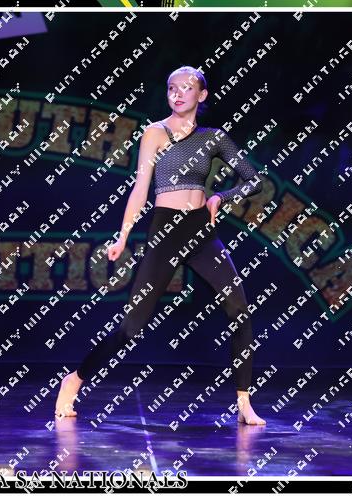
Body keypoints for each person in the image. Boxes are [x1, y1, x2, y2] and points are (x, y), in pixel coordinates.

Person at [55, 65, 266, 426]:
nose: (178, 94)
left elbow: (254, 181)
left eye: (187, 88)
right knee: (132, 326)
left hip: (201, 230)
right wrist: (123, 235)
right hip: (166, 230)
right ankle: (74, 380)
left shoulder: (214, 137)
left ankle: (244, 402)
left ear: (202, 95)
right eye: (172, 88)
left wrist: (220, 197)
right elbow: (140, 189)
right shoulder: (155, 132)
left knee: (239, 309)